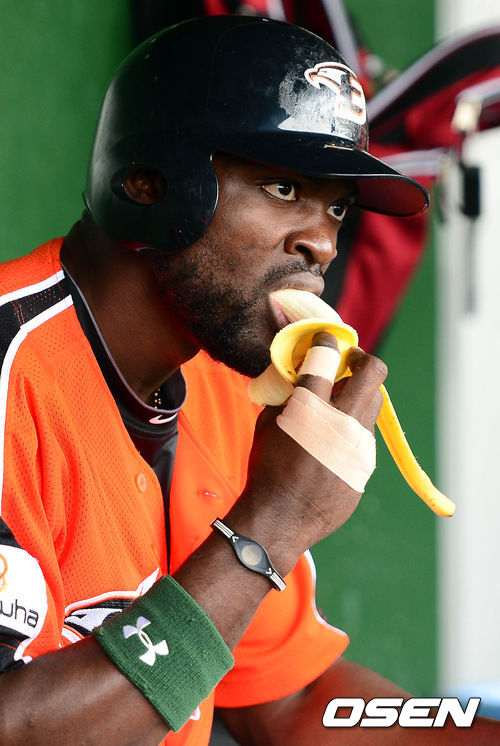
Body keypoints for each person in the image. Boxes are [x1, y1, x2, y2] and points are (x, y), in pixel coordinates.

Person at [0, 15, 496, 746]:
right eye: (283, 186)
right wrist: (272, 525)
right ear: (147, 183)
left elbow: (291, 700)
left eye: (336, 207)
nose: (323, 242)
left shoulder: (231, 393)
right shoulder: (13, 376)